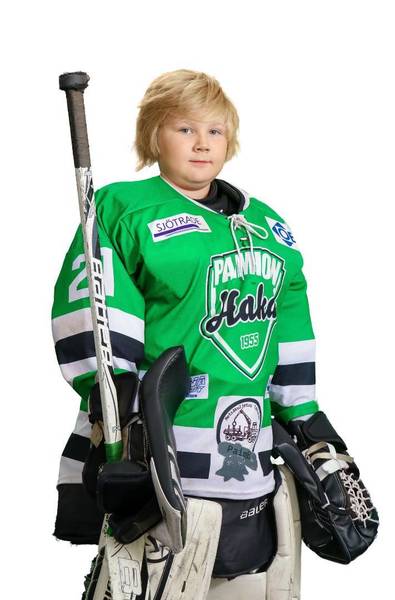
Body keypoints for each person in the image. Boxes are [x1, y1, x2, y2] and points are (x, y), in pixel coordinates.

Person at [52, 69, 377, 599]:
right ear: (153, 136)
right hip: (162, 461)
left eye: (215, 131)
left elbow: (291, 328)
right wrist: (118, 416)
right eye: (184, 129)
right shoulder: (123, 210)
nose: (202, 143)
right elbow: (96, 318)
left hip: (253, 466)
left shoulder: (268, 227)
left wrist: (308, 424)